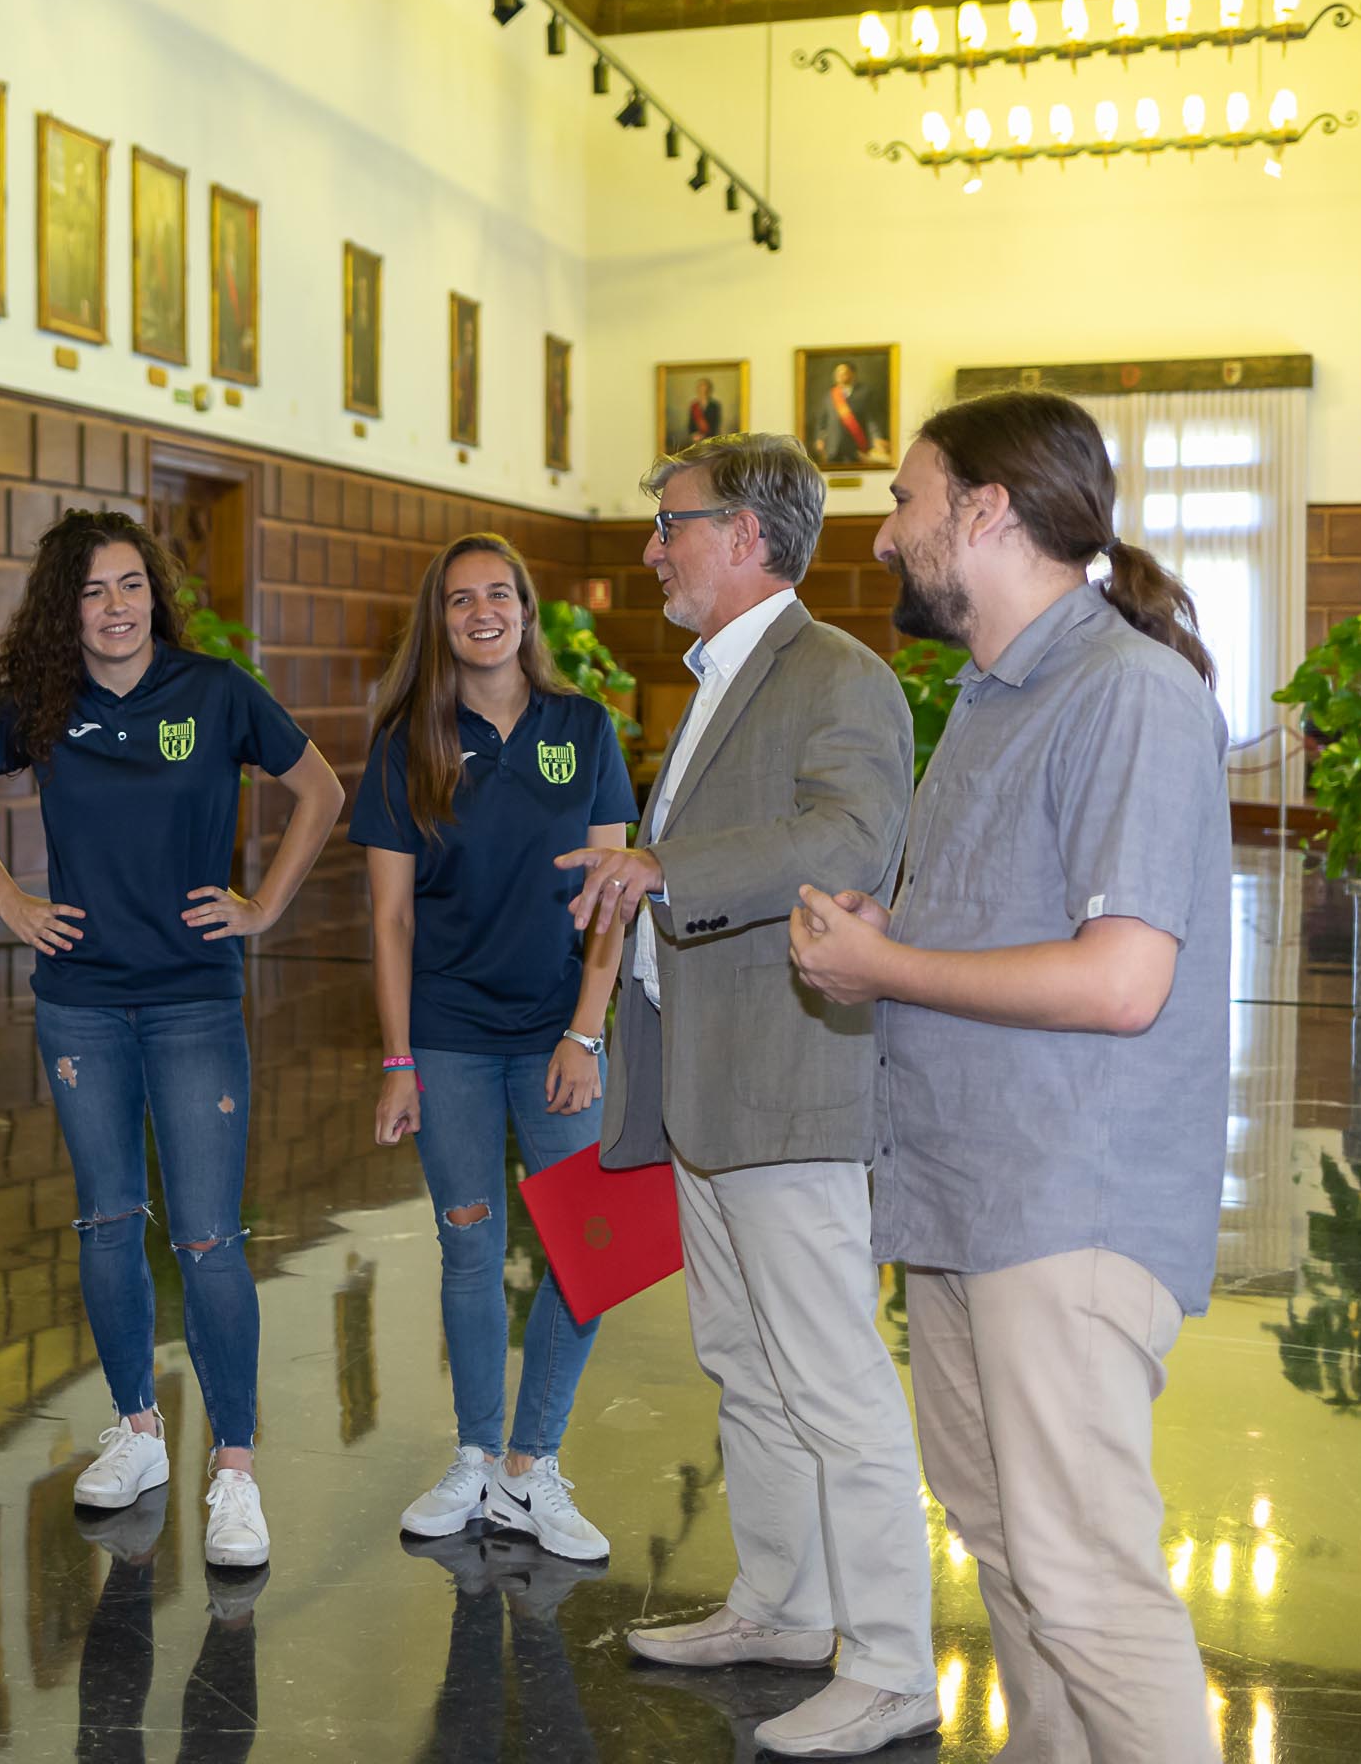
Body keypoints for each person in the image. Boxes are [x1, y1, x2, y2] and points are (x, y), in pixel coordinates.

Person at [791, 390, 1231, 1764]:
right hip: (969, 1202)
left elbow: (1119, 978)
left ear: (985, 513)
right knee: (1015, 1565)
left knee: (1087, 1583)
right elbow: (1008, 931)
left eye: (906, 501)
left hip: (1066, 1210)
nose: (883, 536)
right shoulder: (989, 699)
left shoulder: (1129, 694)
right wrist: (891, 929)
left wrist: (887, 971)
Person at [561, 434, 932, 1759]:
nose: (654, 546)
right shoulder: (721, 675)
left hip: (787, 1079)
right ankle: (783, 1607)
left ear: (748, 535)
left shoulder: (837, 676)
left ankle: (892, 1662)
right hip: (708, 1086)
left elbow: (847, 841)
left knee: (832, 1379)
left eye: (672, 524)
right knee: (747, 1369)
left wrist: (668, 865)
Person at [0, 509, 345, 1569]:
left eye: (130, 584)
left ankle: (235, 1468)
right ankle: (137, 1430)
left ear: (155, 593)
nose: (116, 606)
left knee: (206, 1234)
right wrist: (8, 896)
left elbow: (320, 788)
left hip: (191, 997)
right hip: (79, 997)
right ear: (65, 608)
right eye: (92, 591)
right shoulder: (41, 704)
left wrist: (264, 901)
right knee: (104, 1217)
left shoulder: (214, 690)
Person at [355, 535, 634, 1565]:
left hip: (560, 1031)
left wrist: (585, 1030)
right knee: (469, 1239)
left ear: (527, 607)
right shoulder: (406, 740)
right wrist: (397, 1059)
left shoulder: (583, 725)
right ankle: (475, 1454)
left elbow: (613, 894)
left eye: (501, 592)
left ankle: (531, 1466)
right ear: (440, 617)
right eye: (463, 597)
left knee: (586, 1249)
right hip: (452, 1036)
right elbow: (389, 920)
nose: (484, 610)